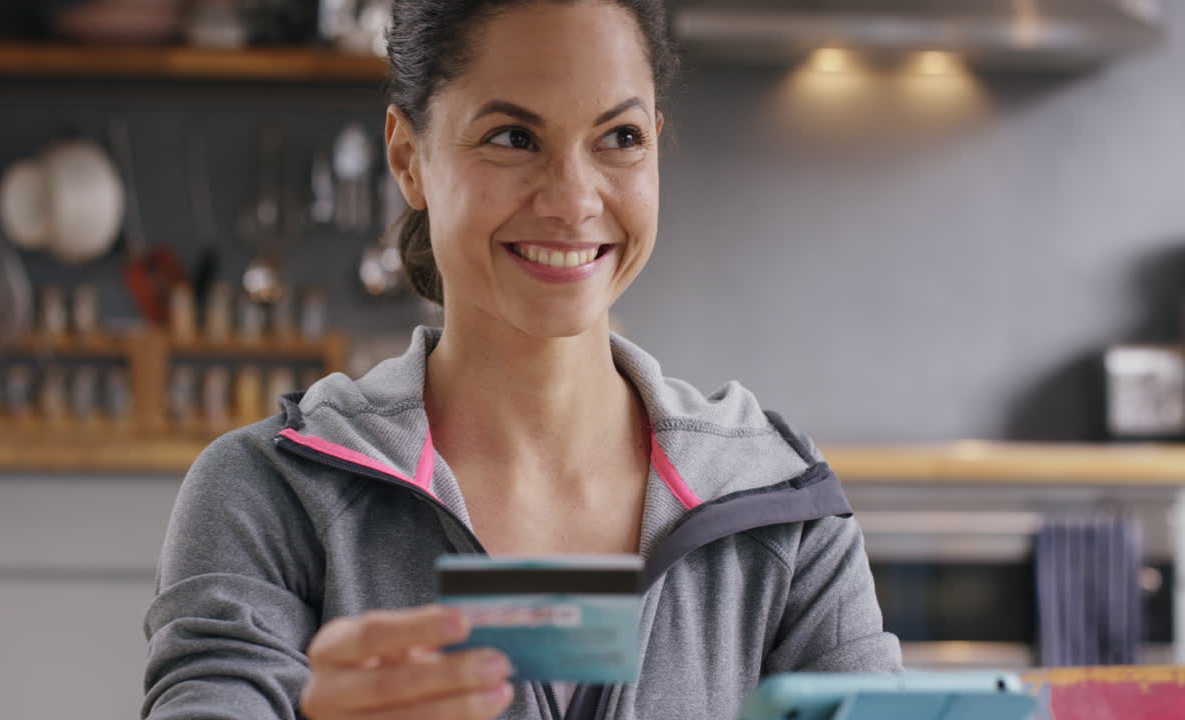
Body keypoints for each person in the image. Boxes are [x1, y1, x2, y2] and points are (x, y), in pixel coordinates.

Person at [141, 0, 903, 718]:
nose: (573, 200)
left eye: (620, 137)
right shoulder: (267, 494)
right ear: (409, 158)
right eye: (512, 137)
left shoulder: (783, 506)